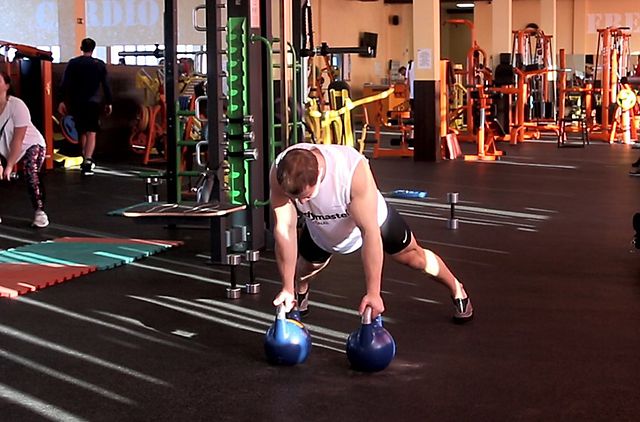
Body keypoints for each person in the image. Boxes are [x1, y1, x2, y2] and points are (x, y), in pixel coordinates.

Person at [270, 143, 473, 322]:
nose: (302, 203)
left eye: (307, 196)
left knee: (415, 258)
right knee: (305, 269)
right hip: (321, 227)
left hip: (372, 223)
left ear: (319, 177)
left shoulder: (351, 170)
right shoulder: (280, 172)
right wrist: (287, 287)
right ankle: (299, 291)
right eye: (296, 199)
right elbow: (285, 229)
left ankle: (457, 289)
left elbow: (370, 232)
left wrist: (373, 293)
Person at [0, 71, 49, 228]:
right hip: (3, 148)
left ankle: (40, 212)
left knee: (30, 170)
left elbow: (18, 139)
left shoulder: (17, 105)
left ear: (7, 85)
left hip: (31, 144)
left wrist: (9, 166)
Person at [58, 37, 112, 176]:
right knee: (91, 131)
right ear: (93, 49)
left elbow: (65, 83)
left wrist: (62, 100)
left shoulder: (73, 63)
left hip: (77, 102)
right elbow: (105, 85)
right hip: (93, 102)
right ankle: (88, 160)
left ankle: (83, 157)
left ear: (81, 48)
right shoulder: (99, 64)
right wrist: (109, 102)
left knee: (81, 130)